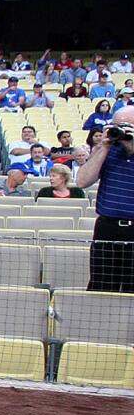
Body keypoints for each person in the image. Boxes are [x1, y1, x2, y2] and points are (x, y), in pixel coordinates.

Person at [75, 108, 134, 292]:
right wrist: (104, 147)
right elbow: (82, 181)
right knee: (102, 287)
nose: (122, 131)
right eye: (118, 126)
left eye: (128, 126)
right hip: (107, 228)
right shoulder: (105, 150)